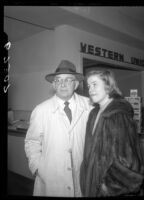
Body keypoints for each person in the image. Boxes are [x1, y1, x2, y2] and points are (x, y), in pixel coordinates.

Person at [24, 60, 92, 197]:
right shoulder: (41, 110)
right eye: (58, 80)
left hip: (83, 174)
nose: (62, 84)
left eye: (68, 80)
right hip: (50, 177)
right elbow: (32, 142)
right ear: (54, 85)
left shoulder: (90, 106)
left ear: (76, 84)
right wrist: (37, 168)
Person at [80, 69, 144, 197]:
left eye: (94, 84)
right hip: (92, 184)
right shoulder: (94, 113)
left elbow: (128, 161)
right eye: (88, 86)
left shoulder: (118, 115)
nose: (90, 90)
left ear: (108, 85)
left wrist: (107, 187)